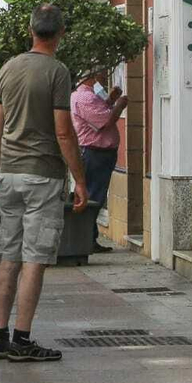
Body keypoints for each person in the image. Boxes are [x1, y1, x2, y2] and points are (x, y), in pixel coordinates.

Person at [0, 3, 88, 364]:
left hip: (10, 173)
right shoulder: (58, 72)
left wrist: (0, 168)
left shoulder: (8, 68)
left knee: (8, 257)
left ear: (30, 31)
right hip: (42, 175)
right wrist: (79, 178)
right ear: (60, 33)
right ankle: (22, 338)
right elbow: (64, 130)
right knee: (35, 259)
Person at [71, 70, 128, 252]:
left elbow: (101, 112)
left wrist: (110, 101)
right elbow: (105, 121)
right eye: (103, 73)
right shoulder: (85, 97)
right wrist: (120, 105)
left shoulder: (90, 95)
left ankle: (90, 238)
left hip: (100, 153)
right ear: (92, 76)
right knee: (94, 197)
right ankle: (86, 239)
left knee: (96, 195)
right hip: (95, 153)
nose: (105, 77)